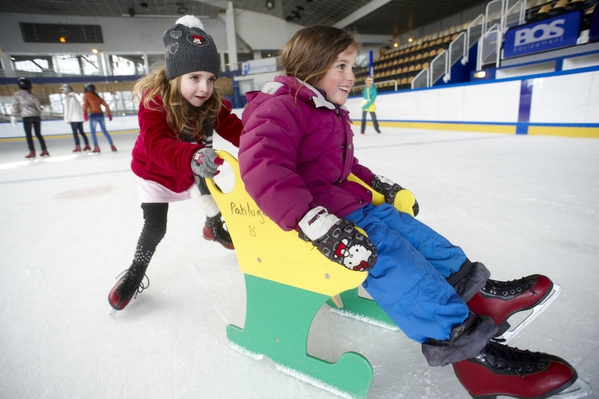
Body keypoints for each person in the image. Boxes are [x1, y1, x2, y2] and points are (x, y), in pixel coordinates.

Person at [237, 25, 578, 399]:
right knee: (393, 258)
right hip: (323, 222)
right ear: (312, 63)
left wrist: (380, 184)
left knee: (417, 235)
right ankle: (474, 355)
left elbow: (344, 167)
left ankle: (479, 297)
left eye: (353, 67)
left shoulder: (324, 109)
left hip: (353, 206)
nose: (351, 77)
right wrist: (318, 225)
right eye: (341, 66)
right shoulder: (281, 108)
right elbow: (264, 170)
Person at [107, 15, 242, 311]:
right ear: (175, 75)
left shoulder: (208, 103)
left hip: (192, 168)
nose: (204, 88)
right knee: (155, 228)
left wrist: (262, 145)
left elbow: (234, 128)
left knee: (217, 201)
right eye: (194, 78)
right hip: (156, 172)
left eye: (210, 79)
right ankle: (135, 272)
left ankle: (213, 228)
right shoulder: (154, 102)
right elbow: (155, 145)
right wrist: (192, 156)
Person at [11, 77, 49, 158]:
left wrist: (13, 115)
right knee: (38, 134)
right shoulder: (33, 95)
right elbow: (38, 107)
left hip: (26, 117)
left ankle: (32, 152)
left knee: (29, 135)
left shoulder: (17, 95)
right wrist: (41, 109)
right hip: (36, 116)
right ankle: (44, 150)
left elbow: (15, 106)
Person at [82, 83, 116, 153]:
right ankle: (112, 145)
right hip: (100, 115)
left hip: (93, 116)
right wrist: (109, 114)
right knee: (105, 131)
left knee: (93, 133)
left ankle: (96, 147)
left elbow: (85, 105)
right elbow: (106, 105)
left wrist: (84, 113)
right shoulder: (97, 96)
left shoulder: (86, 95)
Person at [60, 84, 90, 152]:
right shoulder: (75, 97)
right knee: (82, 132)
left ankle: (78, 146)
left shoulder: (69, 98)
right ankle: (87, 145)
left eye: (63, 90)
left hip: (74, 119)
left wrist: (68, 118)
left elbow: (69, 109)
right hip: (79, 118)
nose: (62, 92)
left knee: (75, 133)